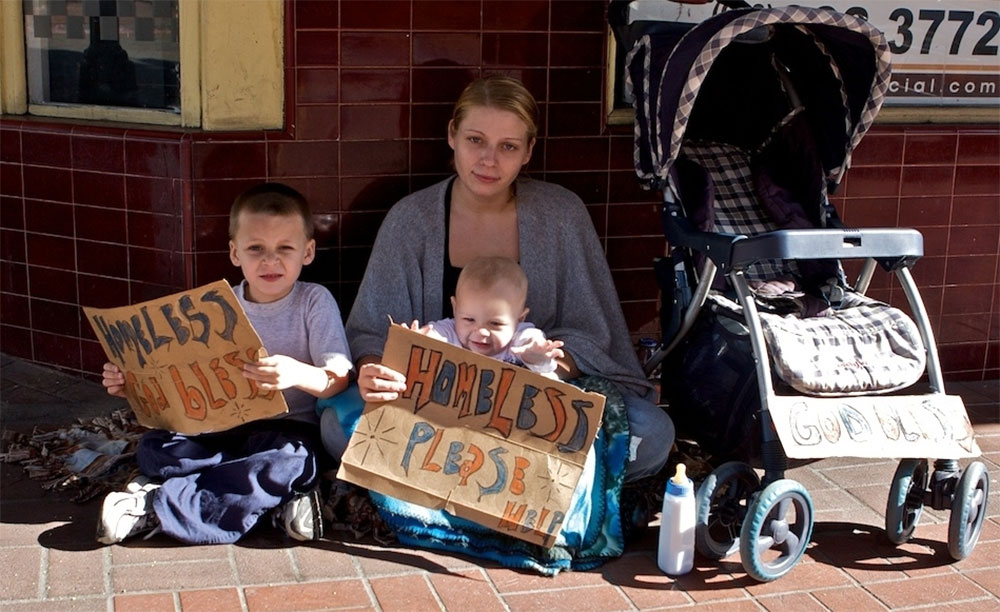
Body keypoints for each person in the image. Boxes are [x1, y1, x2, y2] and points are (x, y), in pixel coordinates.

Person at [335, 75, 674, 482]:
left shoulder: (561, 215)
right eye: (475, 140)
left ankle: (463, 483)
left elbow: (593, 332)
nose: (489, 161)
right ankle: (514, 482)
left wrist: (539, 367)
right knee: (339, 427)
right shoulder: (412, 219)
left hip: (536, 406)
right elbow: (373, 332)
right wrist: (377, 370)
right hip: (434, 406)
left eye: (508, 147)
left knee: (652, 434)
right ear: (452, 136)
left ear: (529, 151)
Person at [96, 183, 352, 545]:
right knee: (155, 448)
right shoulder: (215, 307)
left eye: (285, 249)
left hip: (285, 430)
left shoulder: (314, 301)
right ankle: (272, 502)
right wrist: (132, 385)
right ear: (234, 253)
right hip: (216, 428)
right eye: (255, 249)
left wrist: (296, 373)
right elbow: (178, 383)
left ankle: (154, 505)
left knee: (290, 463)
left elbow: (338, 378)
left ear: (307, 252)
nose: (270, 261)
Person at [413, 255, 565, 377]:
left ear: (519, 319)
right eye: (469, 319)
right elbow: (432, 335)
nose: (480, 332)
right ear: (455, 308)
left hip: (507, 410)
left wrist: (535, 356)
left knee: (547, 377)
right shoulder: (449, 331)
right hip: (458, 407)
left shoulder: (520, 338)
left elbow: (532, 342)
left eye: (495, 323)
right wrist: (416, 340)